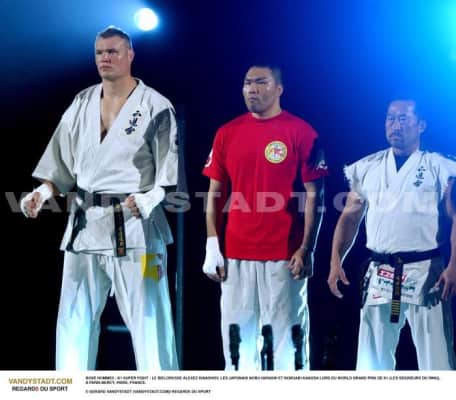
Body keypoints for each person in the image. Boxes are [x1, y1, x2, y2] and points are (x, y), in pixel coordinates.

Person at [20, 26, 179, 371]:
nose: (105, 58)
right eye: (99, 52)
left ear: (130, 54)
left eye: (113, 51)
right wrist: (42, 192)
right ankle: (71, 390)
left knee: (149, 320)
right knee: (73, 319)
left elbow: (169, 174)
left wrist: (151, 198)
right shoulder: (82, 102)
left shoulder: (156, 105)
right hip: (84, 226)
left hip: (136, 227)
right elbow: (60, 165)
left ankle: (162, 389)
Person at [202, 65, 328, 370]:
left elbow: (316, 195)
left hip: (284, 255)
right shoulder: (227, 133)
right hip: (235, 255)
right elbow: (215, 192)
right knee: (238, 345)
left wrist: (307, 248)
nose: (252, 89)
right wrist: (212, 244)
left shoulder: (302, 132)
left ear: (279, 89)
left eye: (261, 82)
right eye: (247, 82)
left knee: (287, 344)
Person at [328, 98, 456, 370]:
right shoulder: (368, 166)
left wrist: (454, 265)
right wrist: (336, 260)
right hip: (380, 271)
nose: (395, 125)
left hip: (425, 271)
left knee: (437, 360)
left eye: (403, 118)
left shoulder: (440, 166)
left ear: (421, 125)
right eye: (390, 118)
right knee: (371, 361)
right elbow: (350, 216)